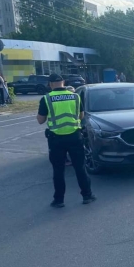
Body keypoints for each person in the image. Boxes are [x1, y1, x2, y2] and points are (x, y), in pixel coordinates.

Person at [37, 73, 96, 208]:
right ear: (63, 82)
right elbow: (81, 115)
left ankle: (59, 200)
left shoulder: (46, 99)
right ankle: (87, 195)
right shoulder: (75, 97)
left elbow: (41, 120)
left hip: (56, 139)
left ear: (50, 84)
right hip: (75, 137)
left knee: (58, 170)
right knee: (80, 168)